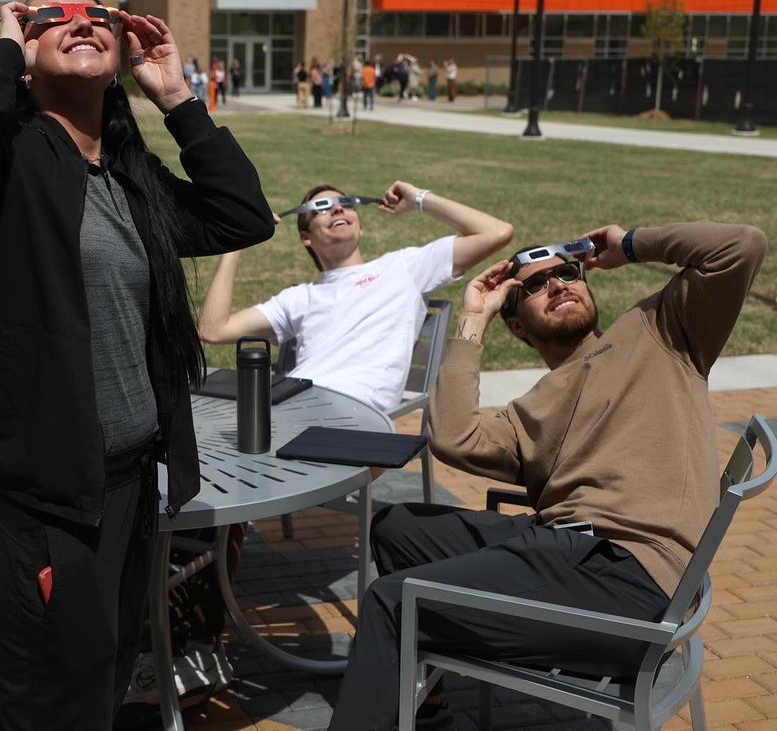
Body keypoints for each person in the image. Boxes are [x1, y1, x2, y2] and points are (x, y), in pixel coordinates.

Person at [0, 0, 273, 730]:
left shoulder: (129, 174)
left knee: (100, 683)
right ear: (26, 56)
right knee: (49, 704)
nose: (78, 23)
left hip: (126, 485)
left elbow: (242, 215)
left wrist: (178, 98)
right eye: (50, 17)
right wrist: (3, 47)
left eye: (95, 15)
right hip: (37, 495)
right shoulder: (0, 163)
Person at [328, 222, 768, 730]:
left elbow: (743, 246)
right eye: (534, 286)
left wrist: (629, 245)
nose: (558, 284)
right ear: (516, 327)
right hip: (563, 552)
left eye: (567, 273)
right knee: (396, 527)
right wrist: (473, 318)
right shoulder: (528, 411)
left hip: (628, 580)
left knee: (392, 602)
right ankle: (426, 710)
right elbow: (452, 438)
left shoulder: (663, 330)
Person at [199, 182, 513, 415]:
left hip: (357, 413)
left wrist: (418, 199)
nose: (337, 209)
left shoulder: (404, 267)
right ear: (306, 237)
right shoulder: (300, 298)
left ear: (360, 228)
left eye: (345, 204)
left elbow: (497, 232)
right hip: (292, 403)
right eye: (322, 209)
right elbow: (213, 330)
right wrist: (236, 242)